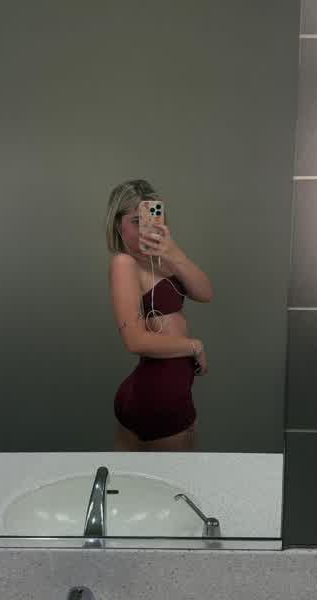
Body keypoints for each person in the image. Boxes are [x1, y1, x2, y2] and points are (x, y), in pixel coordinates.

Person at [105, 179, 213, 451]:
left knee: (131, 476)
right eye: (136, 221)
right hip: (157, 395)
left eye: (151, 218)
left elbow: (205, 292)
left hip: (167, 390)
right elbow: (134, 340)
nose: (145, 228)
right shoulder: (124, 263)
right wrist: (194, 346)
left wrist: (173, 252)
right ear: (118, 225)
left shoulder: (162, 261)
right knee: (173, 477)